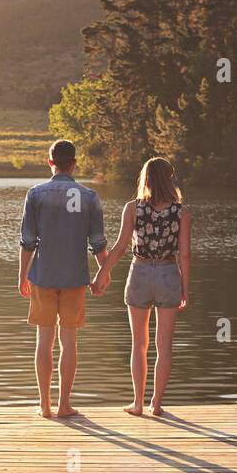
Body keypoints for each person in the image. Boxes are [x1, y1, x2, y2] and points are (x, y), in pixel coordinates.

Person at [93, 156, 191, 417]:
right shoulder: (181, 212)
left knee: (139, 344)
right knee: (164, 346)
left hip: (140, 272)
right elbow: (185, 255)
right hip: (169, 273)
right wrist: (184, 288)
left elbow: (120, 247)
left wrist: (102, 274)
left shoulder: (133, 208)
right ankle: (156, 403)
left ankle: (137, 403)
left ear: (145, 178)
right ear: (170, 178)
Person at [18, 139, 108, 418]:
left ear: (50, 163)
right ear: (74, 164)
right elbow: (98, 242)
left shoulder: (36, 194)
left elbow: (28, 241)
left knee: (43, 341)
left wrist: (22, 274)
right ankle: (64, 404)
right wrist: (104, 273)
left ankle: (44, 406)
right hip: (74, 277)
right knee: (70, 342)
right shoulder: (89, 197)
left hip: (43, 275)